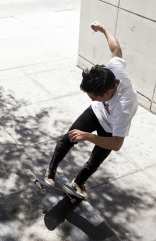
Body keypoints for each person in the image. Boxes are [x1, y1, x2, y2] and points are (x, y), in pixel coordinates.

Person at [45, 21, 138, 198]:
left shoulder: (125, 105)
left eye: (94, 96)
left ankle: (78, 182)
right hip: (96, 112)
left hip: (112, 128)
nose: (91, 98)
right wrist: (104, 29)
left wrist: (89, 137)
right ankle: (51, 169)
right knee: (67, 139)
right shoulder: (112, 70)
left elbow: (117, 144)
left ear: (108, 91)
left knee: (95, 161)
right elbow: (116, 49)